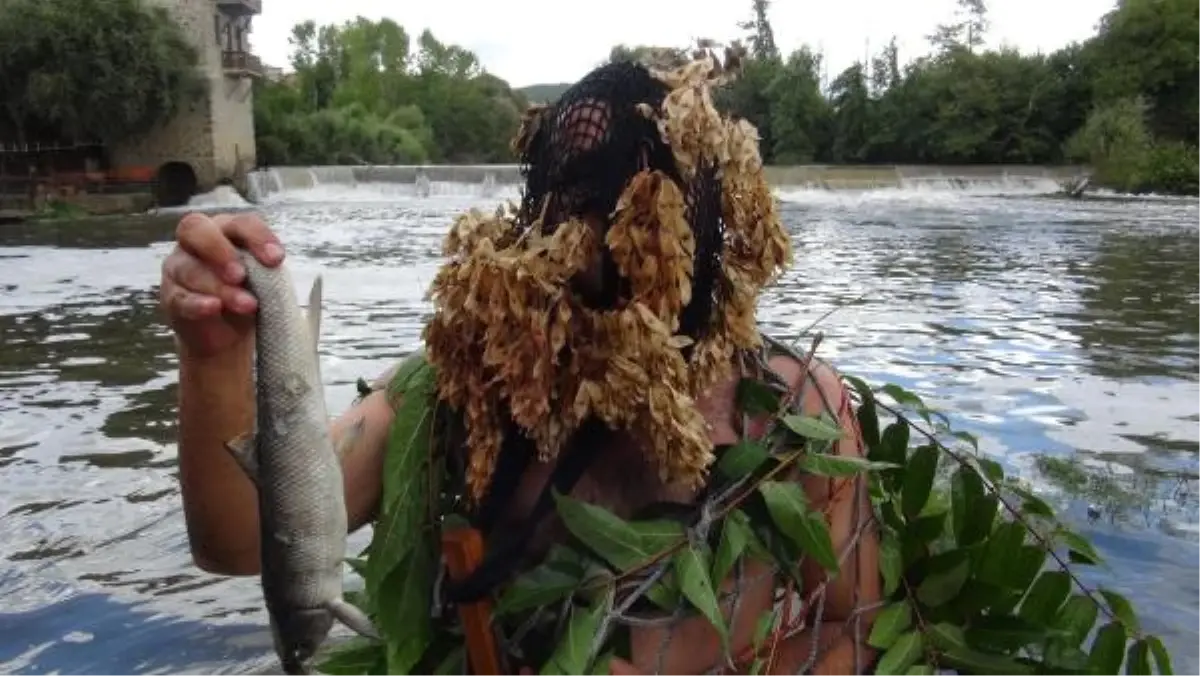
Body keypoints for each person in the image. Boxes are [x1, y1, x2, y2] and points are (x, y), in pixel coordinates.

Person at [161, 57, 880, 675]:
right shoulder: (458, 394)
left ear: (702, 216)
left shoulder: (793, 415)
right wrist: (214, 355)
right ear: (534, 214)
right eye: (574, 199)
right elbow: (239, 543)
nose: (594, 239)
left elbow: (855, 629)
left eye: (636, 208)